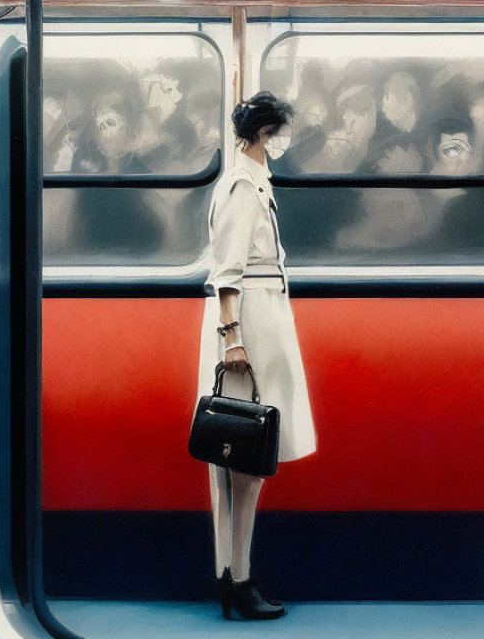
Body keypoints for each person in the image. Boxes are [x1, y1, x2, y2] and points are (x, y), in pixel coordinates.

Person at [197, 91, 316, 620]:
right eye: (279, 133)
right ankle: (239, 582)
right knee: (246, 458)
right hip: (249, 324)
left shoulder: (253, 183)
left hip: (258, 319)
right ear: (263, 134)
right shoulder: (243, 187)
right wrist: (232, 338)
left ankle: (231, 574)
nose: (283, 142)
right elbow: (227, 270)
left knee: (243, 456)